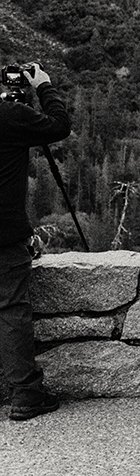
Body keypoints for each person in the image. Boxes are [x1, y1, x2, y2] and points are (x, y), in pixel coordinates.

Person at [0, 62, 71, 421]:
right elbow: (59, 126)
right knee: (11, 309)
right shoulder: (10, 116)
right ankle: (26, 393)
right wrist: (43, 86)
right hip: (4, 233)